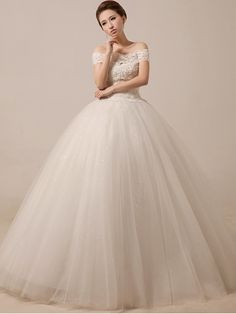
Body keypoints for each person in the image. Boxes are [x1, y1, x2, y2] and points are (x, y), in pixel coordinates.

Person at [0, 0, 235, 312]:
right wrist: (109, 55)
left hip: (135, 114)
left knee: (142, 187)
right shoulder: (100, 51)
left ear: (123, 18)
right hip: (103, 122)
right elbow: (97, 83)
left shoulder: (140, 46)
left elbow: (143, 80)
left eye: (113, 18)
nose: (109, 25)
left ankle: (150, 271)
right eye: (103, 23)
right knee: (101, 186)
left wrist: (112, 90)